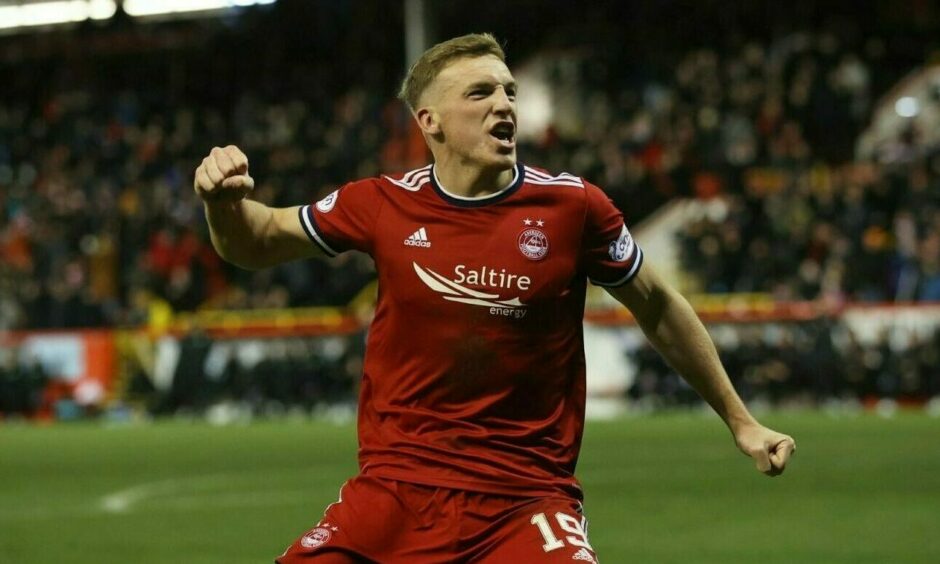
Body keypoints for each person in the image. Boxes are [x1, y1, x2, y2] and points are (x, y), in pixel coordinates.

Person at [194, 33, 795, 564]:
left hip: (526, 501)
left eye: (508, 91)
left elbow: (658, 304)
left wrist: (740, 421)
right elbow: (257, 240)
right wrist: (222, 204)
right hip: (394, 493)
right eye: (480, 94)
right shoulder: (380, 203)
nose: (504, 104)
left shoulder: (573, 208)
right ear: (429, 121)